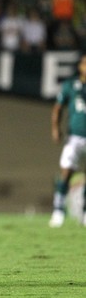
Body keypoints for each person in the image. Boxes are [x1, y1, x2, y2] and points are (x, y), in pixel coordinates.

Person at [49, 53, 86, 227]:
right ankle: (58, 210)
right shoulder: (71, 85)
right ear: (80, 66)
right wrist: (56, 128)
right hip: (75, 137)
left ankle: (85, 213)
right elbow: (58, 108)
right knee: (66, 172)